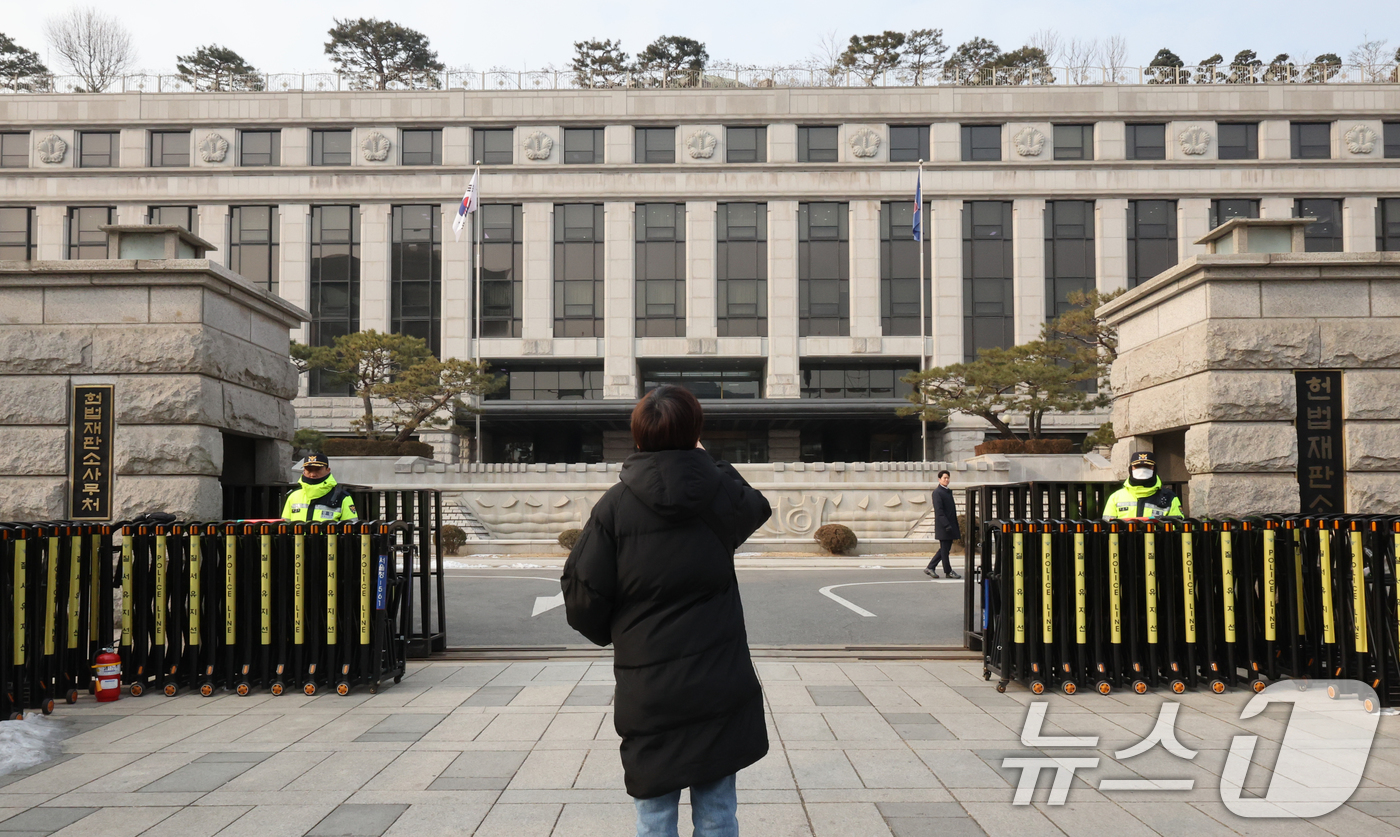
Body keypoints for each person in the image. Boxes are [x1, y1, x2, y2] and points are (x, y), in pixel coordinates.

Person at [562, 385, 772, 837]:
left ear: (638, 436)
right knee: (718, 813)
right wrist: (705, 459)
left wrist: (621, 630)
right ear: (696, 433)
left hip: (649, 687)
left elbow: (581, 599)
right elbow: (757, 506)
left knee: (654, 817)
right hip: (719, 678)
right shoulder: (719, 494)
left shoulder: (614, 506)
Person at [1102, 452, 1183, 519]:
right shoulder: (1116, 497)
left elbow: (1178, 527)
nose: (1142, 470)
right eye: (1137, 466)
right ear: (1130, 469)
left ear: (1154, 469)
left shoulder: (1169, 498)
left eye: (1147, 466)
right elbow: (1107, 527)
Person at [280, 454, 358, 522]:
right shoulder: (293, 496)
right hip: (298, 539)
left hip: (330, 539)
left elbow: (351, 530)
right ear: (304, 471)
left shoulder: (343, 497)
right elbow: (285, 527)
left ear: (328, 470)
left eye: (318, 469)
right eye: (309, 470)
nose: (313, 474)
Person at [924, 470, 961, 579]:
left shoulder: (947, 491)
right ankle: (948, 571)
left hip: (950, 525)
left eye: (948, 478)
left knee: (944, 549)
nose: (947, 480)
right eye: (944, 478)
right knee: (945, 550)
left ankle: (931, 567)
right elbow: (939, 511)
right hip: (944, 526)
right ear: (939, 479)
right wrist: (946, 525)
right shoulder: (937, 492)